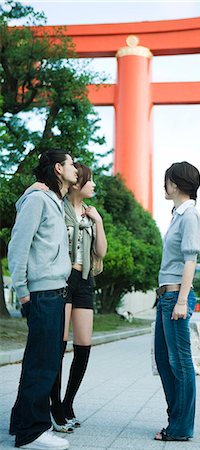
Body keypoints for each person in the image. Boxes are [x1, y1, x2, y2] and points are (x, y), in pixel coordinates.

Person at [8, 149, 78, 449]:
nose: (77, 169)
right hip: (42, 292)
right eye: (72, 164)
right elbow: (18, 246)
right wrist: (22, 291)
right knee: (43, 363)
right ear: (58, 169)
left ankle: (21, 424)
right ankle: (32, 432)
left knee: (42, 360)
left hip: (53, 290)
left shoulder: (53, 201)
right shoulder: (37, 199)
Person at [33, 163, 107, 432]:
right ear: (78, 184)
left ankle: (67, 402)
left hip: (85, 281)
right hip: (62, 280)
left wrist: (98, 221)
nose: (94, 185)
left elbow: (101, 251)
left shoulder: (91, 214)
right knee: (58, 345)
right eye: (90, 181)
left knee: (84, 345)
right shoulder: (57, 207)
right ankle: (53, 407)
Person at [154, 161, 200, 442]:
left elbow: (190, 259)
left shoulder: (190, 215)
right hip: (166, 296)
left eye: (167, 181)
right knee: (163, 360)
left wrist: (182, 300)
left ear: (177, 184)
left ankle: (181, 428)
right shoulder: (177, 214)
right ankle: (176, 419)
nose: (165, 186)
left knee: (180, 363)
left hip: (176, 297)